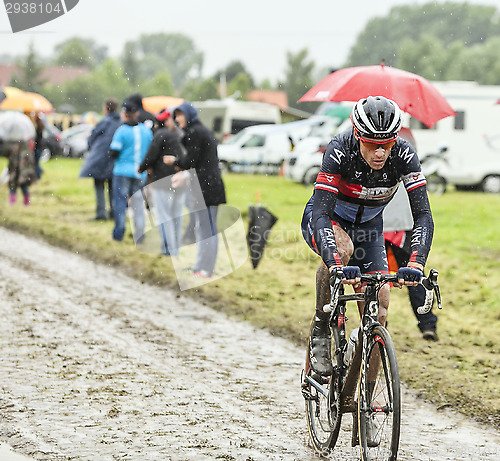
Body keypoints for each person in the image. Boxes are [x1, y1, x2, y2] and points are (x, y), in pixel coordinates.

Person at [301, 96, 434, 378]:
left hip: (370, 229)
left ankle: (369, 406)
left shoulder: (404, 155)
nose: (380, 153)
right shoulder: (340, 150)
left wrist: (416, 263)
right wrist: (336, 263)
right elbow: (322, 213)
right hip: (328, 220)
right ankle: (321, 327)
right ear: (358, 136)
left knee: (380, 307)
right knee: (342, 248)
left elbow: (422, 215)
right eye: (372, 144)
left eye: (387, 144)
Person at [163, 101, 226, 278]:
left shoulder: (194, 132)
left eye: (179, 115)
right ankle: (200, 266)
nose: (176, 119)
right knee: (205, 228)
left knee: (207, 230)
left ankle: (205, 269)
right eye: (175, 116)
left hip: (205, 186)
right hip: (210, 184)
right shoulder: (200, 130)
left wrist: (174, 162)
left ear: (189, 115)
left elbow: (190, 161)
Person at [138, 109, 186, 255]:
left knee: (164, 216)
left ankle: (167, 249)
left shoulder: (161, 135)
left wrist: (141, 168)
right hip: (181, 180)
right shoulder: (182, 134)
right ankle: (176, 248)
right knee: (177, 216)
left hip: (163, 181)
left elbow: (151, 155)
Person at [109, 98, 153, 242]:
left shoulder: (122, 131)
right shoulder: (145, 131)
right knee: (138, 204)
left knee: (120, 202)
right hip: (140, 172)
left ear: (125, 113)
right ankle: (140, 234)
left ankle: (119, 232)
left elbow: (114, 151)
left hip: (122, 171)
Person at [79, 98, 121, 220]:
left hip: (100, 159)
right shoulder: (120, 122)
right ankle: (114, 212)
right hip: (115, 159)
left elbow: (92, 138)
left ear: (106, 108)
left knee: (99, 186)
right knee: (113, 187)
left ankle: (101, 213)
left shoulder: (104, 122)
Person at [5, 139, 36, 206]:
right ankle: (13, 202)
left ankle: (26, 202)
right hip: (16, 170)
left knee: (22, 186)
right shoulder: (15, 147)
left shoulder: (24, 147)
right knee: (13, 186)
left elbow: (29, 160)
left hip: (22, 172)